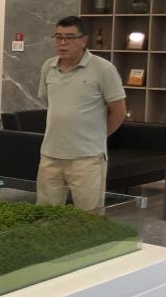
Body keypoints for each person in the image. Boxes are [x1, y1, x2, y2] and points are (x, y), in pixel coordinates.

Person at [36, 16, 126, 211]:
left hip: (87, 158)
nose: (62, 43)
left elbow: (119, 112)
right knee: (45, 214)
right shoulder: (48, 67)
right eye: (58, 37)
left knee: (88, 216)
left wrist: (97, 136)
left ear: (83, 40)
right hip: (51, 155)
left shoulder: (103, 68)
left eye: (69, 37)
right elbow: (50, 104)